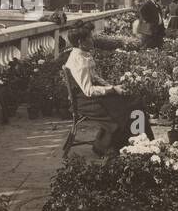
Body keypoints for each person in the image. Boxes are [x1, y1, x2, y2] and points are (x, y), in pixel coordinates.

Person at [62, 22, 152, 155]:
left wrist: (112, 87)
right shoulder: (80, 60)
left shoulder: (81, 54)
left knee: (133, 100)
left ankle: (125, 142)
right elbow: (89, 90)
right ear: (81, 42)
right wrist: (113, 90)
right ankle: (124, 143)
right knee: (132, 104)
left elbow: (95, 77)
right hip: (86, 101)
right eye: (90, 38)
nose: (93, 40)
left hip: (90, 98)